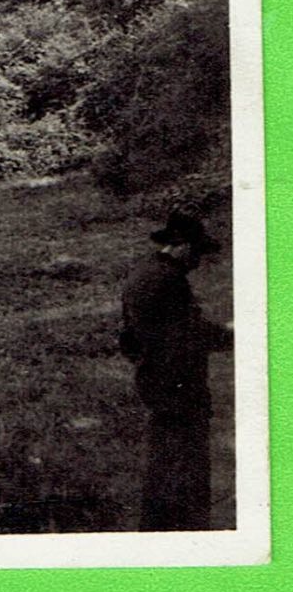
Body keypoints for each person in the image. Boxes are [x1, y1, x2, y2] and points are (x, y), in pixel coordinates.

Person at [120, 210, 232, 531]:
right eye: (196, 252)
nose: (197, 261)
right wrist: (232, 334)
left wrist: (147, 362)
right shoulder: (169, 281)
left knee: (162, 464)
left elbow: (128, 339)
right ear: (181, 245)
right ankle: (186, 537)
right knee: (187, 466)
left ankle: (158, 529)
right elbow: (190, 334)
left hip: (154, 383)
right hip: (180, 388)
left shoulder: (141, 274)